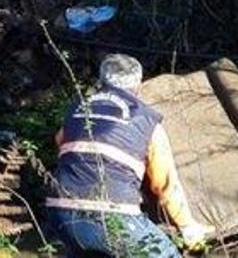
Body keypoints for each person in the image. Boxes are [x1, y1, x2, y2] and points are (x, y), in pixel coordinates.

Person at [44, 54, 210, 257]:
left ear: (101, 80)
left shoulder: (77, 109)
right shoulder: (147, 121)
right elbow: (165, 185)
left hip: (60, 213)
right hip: (112, 215)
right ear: (138, 85)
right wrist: (188, 227)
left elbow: (60, 141)